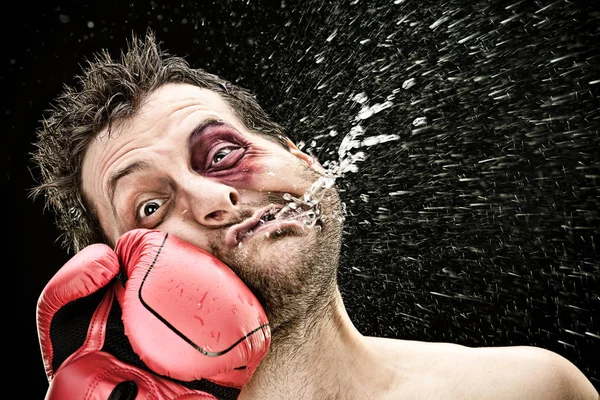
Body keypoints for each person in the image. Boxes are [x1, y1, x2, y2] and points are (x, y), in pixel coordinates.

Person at [31, 30, 598, 400]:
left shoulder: (530, 388)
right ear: (120, 282)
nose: (211, 200)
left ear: (304, 160)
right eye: (151, 207)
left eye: (223, 154)